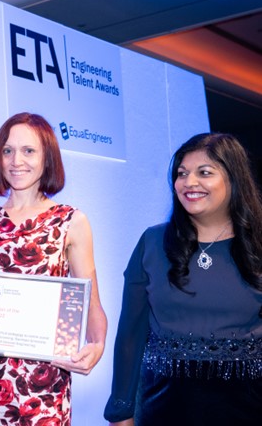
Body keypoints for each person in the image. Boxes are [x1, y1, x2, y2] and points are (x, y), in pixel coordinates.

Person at [0, 112, 107, 425]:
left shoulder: (71, 221)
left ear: (47, 157)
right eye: (8, 151)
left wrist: (97, 347)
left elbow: (91, 304)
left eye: (29, 151)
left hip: (45, 384)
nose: (17, 161)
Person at [104, 133, 262, 425]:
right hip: (164, 410)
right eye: (181, 174)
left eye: (204, 173)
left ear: (234, 178)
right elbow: (130, 335)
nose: (189, 183)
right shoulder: (152, 242)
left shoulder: (258, 245)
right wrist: (121, 410)